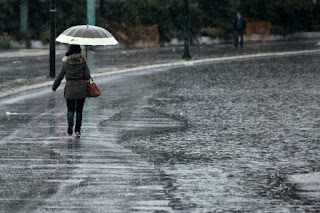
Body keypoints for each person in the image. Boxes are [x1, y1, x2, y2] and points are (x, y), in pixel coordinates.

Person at [52, 45, 91, 137]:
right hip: (81, 89)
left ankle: (70, 127)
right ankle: (77, 130)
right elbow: (87, 76)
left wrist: (55, 86)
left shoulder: (66, 62)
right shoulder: (83, 61)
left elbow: (60, 76)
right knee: (79, 110)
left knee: (70, 110)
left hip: (70, 89)